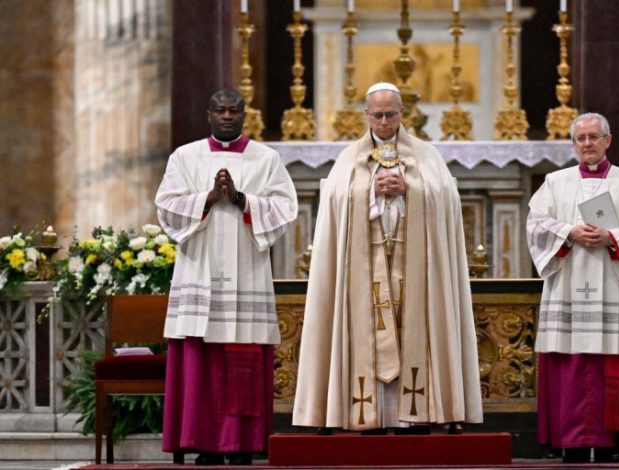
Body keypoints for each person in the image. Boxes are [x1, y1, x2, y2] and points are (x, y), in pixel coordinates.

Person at [292, 82, 482, 434]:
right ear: (366, 114)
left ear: (401, 113)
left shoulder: (426, 155)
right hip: (365, 266)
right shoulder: (349, 157)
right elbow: (334, 200)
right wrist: (369, 191)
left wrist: (411, 190)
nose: (383, 122)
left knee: (414, 327)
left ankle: (418, 416)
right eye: (377, 115)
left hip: (415, 265)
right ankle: (370, 418)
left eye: (390, 114)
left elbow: (447, 198)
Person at [155, 89, 298, 465]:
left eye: (234, 110)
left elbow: (286, 207)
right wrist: (207, 199)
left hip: (246, 271)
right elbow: (166, 205)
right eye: (220, 110)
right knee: (200, 356)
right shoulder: (185, 156)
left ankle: (243, 445)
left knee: (243, 354)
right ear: (209, 115)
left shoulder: (266, 158)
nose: (227, 116)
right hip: (199, 269)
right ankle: (203, 444)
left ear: (244, 115)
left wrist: (240, 199)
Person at [526, 113, 619, 463]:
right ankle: (571, 442)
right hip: (568, 284)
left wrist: (612, 237)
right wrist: (569, 232)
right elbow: (536, 225)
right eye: (581, 138)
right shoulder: (555, 182)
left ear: (607, 140)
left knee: (611, 362)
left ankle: (613, 444)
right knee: (569, 365)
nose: (587, 143)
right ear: (573, 144)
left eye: (594, 137)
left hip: (613, 286)